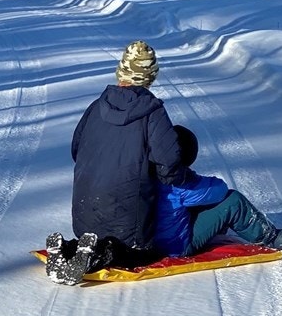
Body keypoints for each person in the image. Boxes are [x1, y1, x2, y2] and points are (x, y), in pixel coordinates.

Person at [46, 40, 185, 283]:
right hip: (127, 224)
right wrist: (172, 180)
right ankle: (99, 255)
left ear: (121, 70)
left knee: (95, 235)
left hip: (84, 214)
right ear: (150, 76)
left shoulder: (96, 106)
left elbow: (76, 150)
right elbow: (169, 161)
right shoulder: (152, 112)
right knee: (137, 254)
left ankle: (70, 248)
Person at [153, 125, 282, 257]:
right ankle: (270, 238)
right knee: (232, 201)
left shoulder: (149, 172)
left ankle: (216, 228)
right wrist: (191, 177)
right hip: (176, 246)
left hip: (153, 241)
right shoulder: (178, 183)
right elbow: (219, 189)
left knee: (189, 205)